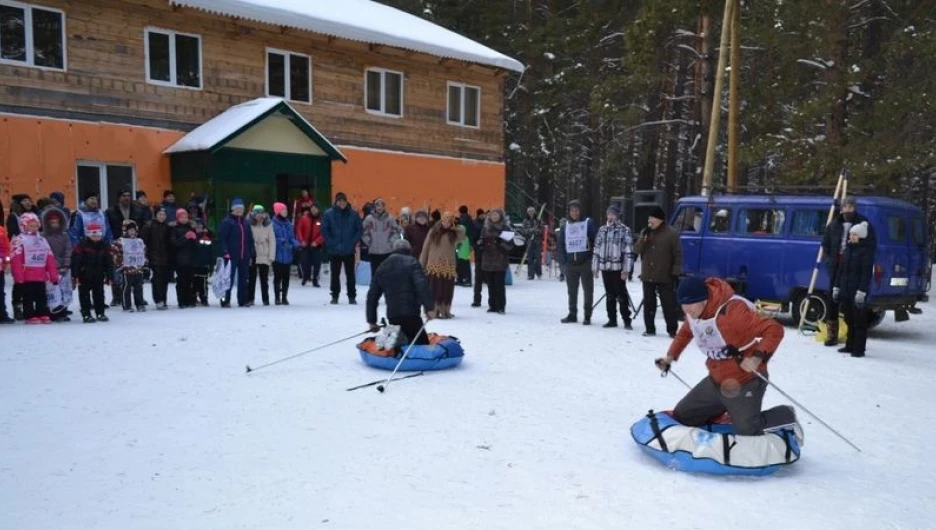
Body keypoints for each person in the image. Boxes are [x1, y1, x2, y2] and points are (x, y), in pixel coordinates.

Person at [656, 276, 802, 443]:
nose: (686, 310)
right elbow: (686, 332)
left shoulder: (733, 313)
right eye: (683, 304)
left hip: (746, 380)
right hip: (717, 380)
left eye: (690, 305)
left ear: (704, 299)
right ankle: (727, 409)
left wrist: (756, 358)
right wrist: (670, 357)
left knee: (747, 433)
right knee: (683, 416)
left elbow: (774, 330)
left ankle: (784, 415)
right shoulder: (694, 313)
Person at [821, 196, 875, 347]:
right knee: (833, 300)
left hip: (856, 265)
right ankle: (832, 334)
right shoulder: (834, 224)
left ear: (854, 208)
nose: (847, 209)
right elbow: (825, 244)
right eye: (845, 207)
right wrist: (829, 259)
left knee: (851, 305)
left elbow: (871, 244)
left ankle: (854, 342)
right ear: (841, 208)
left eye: (850, 207)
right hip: (837, 266)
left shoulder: (863, 224)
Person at [366, 238, 434, 345]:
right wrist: (429, 308)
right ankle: (396, 339)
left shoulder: (382, 266)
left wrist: (372, 321)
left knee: (398, 347)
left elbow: (372, 296)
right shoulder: (412, 262)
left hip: (393, 316)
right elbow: (422, 286)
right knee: (422, 346)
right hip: (412, 315)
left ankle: (392, 340)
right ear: (409, 250)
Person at [634, 206, 682, 337]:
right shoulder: (645, 232)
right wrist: (644, 239)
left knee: (668, 304)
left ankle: (672, 330)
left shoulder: (671, 233)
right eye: (649, 217)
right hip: (648, 273)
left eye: (652, 217)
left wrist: (675, 272)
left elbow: (678, 254)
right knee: (649, 303)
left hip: (665, 274)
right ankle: (650, 328)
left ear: (660, 219)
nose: (649, 220)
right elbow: (637, 250)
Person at [834, 221, 875, 357]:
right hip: (846, 291)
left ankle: (859, 349)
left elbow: (866, 273)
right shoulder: (848, 250)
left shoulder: (866, 252)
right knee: (848, 319)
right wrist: (837, 286)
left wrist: (862, 291)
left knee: (859, 321)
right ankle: (849, 345)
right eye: (851, 234)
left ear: (861, 236)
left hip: (858, 292)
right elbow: (841, 270)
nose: (851, 236)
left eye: (855, 234)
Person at [10, 213, 60, 324]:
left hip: (41, 274)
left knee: (41, 296)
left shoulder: (42, 240)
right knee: (28, 297)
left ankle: (42, 313)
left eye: (35, 225)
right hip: (26, 274)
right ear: (24, 226)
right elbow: (16, 259)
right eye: (30, 226)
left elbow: (49, 258)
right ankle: (29, 315)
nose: (34, 228)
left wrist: (53, 275)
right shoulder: (19, 240)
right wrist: (18, 277)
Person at [592, 205, 635, 329]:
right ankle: (612, 319)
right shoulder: (602, 230)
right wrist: (595, 267)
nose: (610, 217)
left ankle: (627, 319)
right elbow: (596, 249)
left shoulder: (625, 230)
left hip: (618, 269)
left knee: (621, 295)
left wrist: (626, 270)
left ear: (617, 215)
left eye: (613, 214)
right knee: (609, 294)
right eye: (608, 214)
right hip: (606, 267)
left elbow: (628, 251)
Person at [419, 211, 466, 319]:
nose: (446, 223)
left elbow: (463, 234)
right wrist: (422, 264)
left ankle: (445, 311)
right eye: (445, 220)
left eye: (449, 221)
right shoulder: (433, 231)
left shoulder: (454, 233)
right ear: (441, 220)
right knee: (434, 290)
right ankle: (433, 311)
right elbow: (425, 249)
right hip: (434, 265)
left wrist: (454, 227)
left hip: (448, 266)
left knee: (446, 290)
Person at [558, 200, 598, 325]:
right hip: (570, 264)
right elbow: (561, 245)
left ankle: (587, 315)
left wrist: (592, 259)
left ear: (580, 211)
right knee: (571, 291)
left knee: (588, 290)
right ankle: (572, 313)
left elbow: (595, 240)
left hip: (585, 262)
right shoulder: (565, 226)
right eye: (572, 211)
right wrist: (563, 262)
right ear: (569, 212)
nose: (574, 213)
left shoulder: (588, 223)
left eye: (576, 210)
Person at [106, 189, 147, 305]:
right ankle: (117, 297)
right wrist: (112, 243)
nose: (127, 198)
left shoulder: (137, 211)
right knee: (117, 271)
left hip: (133, 245)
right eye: (124, 196)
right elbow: (108, 228)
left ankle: (139, 298)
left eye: (129, 196)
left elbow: (142, 226)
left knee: (136, 272)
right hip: (118, 244)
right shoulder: (110, 211)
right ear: (119, 198)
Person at [322, 192, 363, 305]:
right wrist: (330, 243)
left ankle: (352, 296)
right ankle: (335, 295)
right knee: (334, 274)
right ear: (336, 202)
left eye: (343, 201)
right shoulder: (328, 214)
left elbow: (359, 230)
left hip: (349, 249)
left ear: (346, 201)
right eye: (339, 201)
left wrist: (353, 242)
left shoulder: (353, 214)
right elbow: (325, 230)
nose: (342, 203)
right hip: (334, 250)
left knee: (350, 274)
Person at [71, 222, 113, 323]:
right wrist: (75, 275)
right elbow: (75, 261)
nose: (95, 236)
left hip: (99, 275)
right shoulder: (81, 246)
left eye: (98, 234)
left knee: (99, 295)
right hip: (84, 275)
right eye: (93, 234)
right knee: (84, 296)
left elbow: (109, 262)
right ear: (88, 234)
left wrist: (109, 275)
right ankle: (86, 314)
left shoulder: (105, 246)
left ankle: (100, 313)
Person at [218, 198, 256, 308]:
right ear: (232, 209)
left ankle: (243, 300)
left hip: (244, 255)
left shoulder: (245, 222)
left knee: (243, 279)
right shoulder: (227, 222)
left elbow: (250, 239)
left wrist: (251, 251)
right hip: (230, 255)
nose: (239, 211)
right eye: (237, 208)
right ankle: (225, 300)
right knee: (227, 279)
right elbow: (222, 238)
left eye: (241, 209)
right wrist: (225, 251)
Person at [41, 207, 72, 322]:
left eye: (56, 222)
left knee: (64, 290)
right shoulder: (43, 236)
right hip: (48, 267)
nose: (54, 224)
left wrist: (66, 263)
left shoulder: (64, 236)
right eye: (52, 222)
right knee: (51, 291)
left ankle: (63, 311)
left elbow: (68, 250)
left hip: (63, 267)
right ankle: (51, 312)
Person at [479, 208, 511, 314]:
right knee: (490, 285)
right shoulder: (486, 228)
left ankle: (501, 306)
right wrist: (481, 244)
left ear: (501, 216)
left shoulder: (505, 228)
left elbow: (510, 246)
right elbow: (481, 239)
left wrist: (500, 242)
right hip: (488, 259)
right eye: (493, 215)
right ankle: (492, 305)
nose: (494, 217)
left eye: (496, 215)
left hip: (500, 260)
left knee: (499, 285)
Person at [362, 198, 403, 279]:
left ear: (384, 207)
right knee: (375, 275)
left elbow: (397, 231)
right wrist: (369, 241)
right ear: (375, 207)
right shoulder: (369, 219)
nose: (380, 208)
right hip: (374, 251)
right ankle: (375, 291)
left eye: (382, 206)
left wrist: (391, 242)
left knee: (387, 274)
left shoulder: (390, 218)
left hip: (387, 251)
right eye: (378, 206)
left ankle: (387, 291)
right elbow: (363, 232)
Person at [112, 219, 147, 312]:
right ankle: (127, 305)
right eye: (129, 230)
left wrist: (145, 263)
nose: (132, 232)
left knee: (139, 287)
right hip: (127, 269)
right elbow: (115, 253)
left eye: (133, 230)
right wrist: (120, 264)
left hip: (138, 268)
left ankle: (139, 304)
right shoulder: (120, 241)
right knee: (126, 287)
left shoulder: (139, 241)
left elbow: (144, 253)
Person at [142, 208, 172, 309]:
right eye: (160, 214)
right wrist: (145, 255)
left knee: (165, 279)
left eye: (164, 214)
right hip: (153, 256)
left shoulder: (168, 226)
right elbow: (143, 242)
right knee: (157, 279)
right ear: (155, 215)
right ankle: (158, 300)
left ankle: (164, 299)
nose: (162, 216)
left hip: (166, 256)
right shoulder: (149, 226)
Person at [272, 202, 300, 305]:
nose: (286, 212)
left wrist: (296, 244)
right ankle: (277, 297)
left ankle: (284, 297)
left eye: (286, 210)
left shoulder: (288, 224)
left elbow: (292, 237)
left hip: (287, 254)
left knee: (286, 277)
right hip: (277, 255)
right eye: (284, 210)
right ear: (278, 211)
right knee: (277, 277)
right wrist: (281, 241)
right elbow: (272, 238)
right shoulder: (273, 224)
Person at [170, 209, 198, 308]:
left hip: (191, 258)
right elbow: (174, 243)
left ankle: (189, 300)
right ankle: (181, 301)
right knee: (181, 281)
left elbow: (196, 244)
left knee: (190, 280)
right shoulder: (174, 229)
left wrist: (195, 238)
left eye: (186, 217)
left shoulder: (191, 228)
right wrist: (185, 237)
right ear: (178, 218)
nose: (184, 219)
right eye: (182, 217)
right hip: (179, 259)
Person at [248, 205, 275, 306]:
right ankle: (250, 298)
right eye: (257, 213)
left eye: (261, 213)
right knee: (251, 278)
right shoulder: (249, 224)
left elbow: (272, 241)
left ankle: (265, 299)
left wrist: (271, 256)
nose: (260, 215)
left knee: (264, 279)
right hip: (253, 253)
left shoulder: (268, 224)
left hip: (264, 253)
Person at [296, 203, 325, 287]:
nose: (313, 210)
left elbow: (324, 233)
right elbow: (299, 230)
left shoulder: (321, 220)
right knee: (305, 262)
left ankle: (315, 280)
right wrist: (301, 241)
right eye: (312, 208)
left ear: (318, 210)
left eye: (315, 208)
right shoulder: (304, 218)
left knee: (317, 263)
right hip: (305, 244)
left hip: (316, 245)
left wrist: (317, 241)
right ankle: (305, 277)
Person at [192, 223, 214, 306]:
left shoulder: (207, 237)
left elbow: (210, 252)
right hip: (193, 264)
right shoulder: (191, 236)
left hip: (204, 264)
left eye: (200, 227)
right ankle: (193, 298)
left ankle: (204, 298)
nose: (199, 229)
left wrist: (211, 265)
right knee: (193, 283)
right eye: (197, 227)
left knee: (203, 283)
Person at [522, 206, 543, 280]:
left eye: (532, 211)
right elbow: (523, 231)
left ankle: (539, 273)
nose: (531, 213)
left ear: (534, 212)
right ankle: (530, 274)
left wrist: (537, 231)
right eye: (529, 212)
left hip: (537, 241)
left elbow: (542, 230)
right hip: (529, 241)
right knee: (530, 258)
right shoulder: (525, 220)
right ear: (527, 213)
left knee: (538, 258)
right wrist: (531, 230)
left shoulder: (538, 220)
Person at [471, 209, 487, 307]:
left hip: (490, 255)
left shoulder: (489, 224)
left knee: (490, 279)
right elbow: (472, 237)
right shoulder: (474, 223)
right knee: (478, 279)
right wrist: (476, 246)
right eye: (482, 215)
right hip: (479, 254)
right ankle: (477, 300)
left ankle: (492, 301)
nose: (483, 216)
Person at [456, 205, 475, 286]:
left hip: (462, 243)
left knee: (461, 262)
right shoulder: (469, 219)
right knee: (464, 261)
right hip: (466, 243)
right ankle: (465, 279)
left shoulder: (463, 220)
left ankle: (463, 279)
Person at [0, 223, 13, 323]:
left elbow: (6, 248)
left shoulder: (1, 230)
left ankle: (2, 315)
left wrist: (8, 261)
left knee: (0, 292)